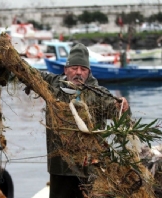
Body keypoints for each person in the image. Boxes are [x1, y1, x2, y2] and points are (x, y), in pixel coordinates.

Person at [38, 43, 130, 198]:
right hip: (60, 167)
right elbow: (26, 73)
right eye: (74, 68)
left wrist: (122, 107)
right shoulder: (52, 85)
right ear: (65, 69)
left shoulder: (101, 95)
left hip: (90, 167)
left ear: (89, 72)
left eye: (83, 69)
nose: (78, 73)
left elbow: (120, 116)